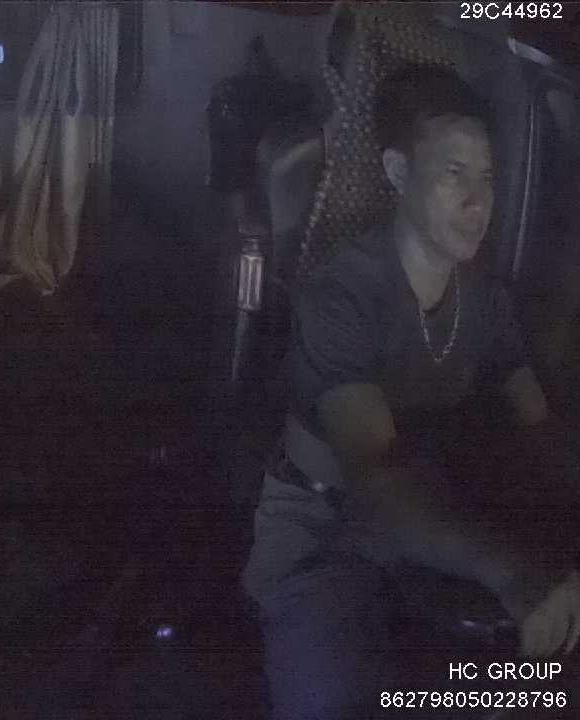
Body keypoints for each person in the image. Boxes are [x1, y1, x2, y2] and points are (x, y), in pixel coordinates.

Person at [241, 64, 580, 719]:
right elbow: (372, 478)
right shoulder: (341, 293)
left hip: (434, 515)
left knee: (542, 688)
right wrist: (510, 572)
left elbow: (538, 428)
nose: (478, 200)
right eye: (454, 173)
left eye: (488, 176)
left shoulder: (486, 299)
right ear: (398, 173)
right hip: (323, 532)